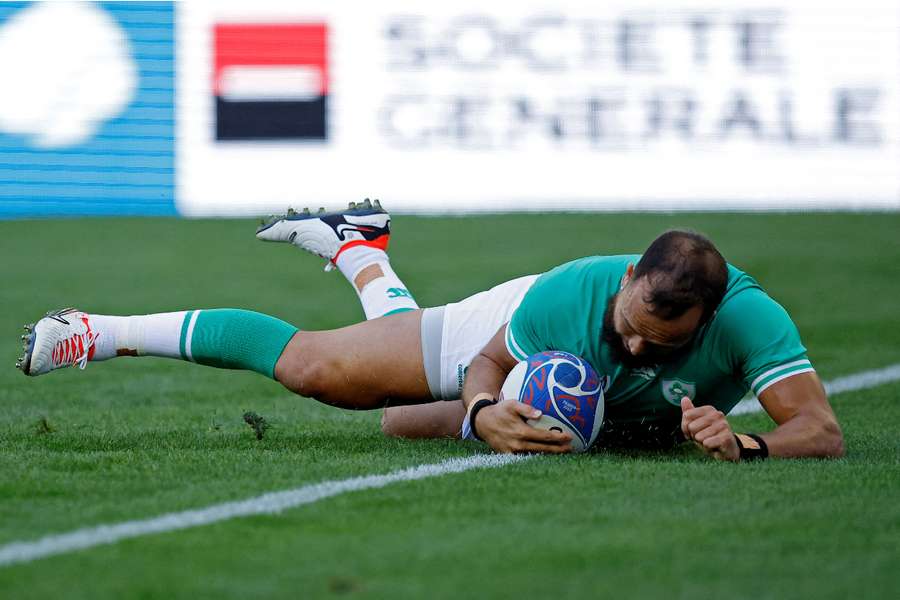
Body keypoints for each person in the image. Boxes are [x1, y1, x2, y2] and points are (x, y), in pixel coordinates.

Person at [16, 200, 844, 461]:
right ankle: (96, 328)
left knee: (400, 422)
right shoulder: (569, 296)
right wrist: (485, 414)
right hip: (501, 338)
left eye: (660, 345)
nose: (633, 349)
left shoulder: (748, 320)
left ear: (707, 317)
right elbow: (486, 364)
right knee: (321, 374)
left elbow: (822, 430)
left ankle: (360, 248)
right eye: (625, 329)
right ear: (625, 283)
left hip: (592, 404)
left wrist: (751, 445)